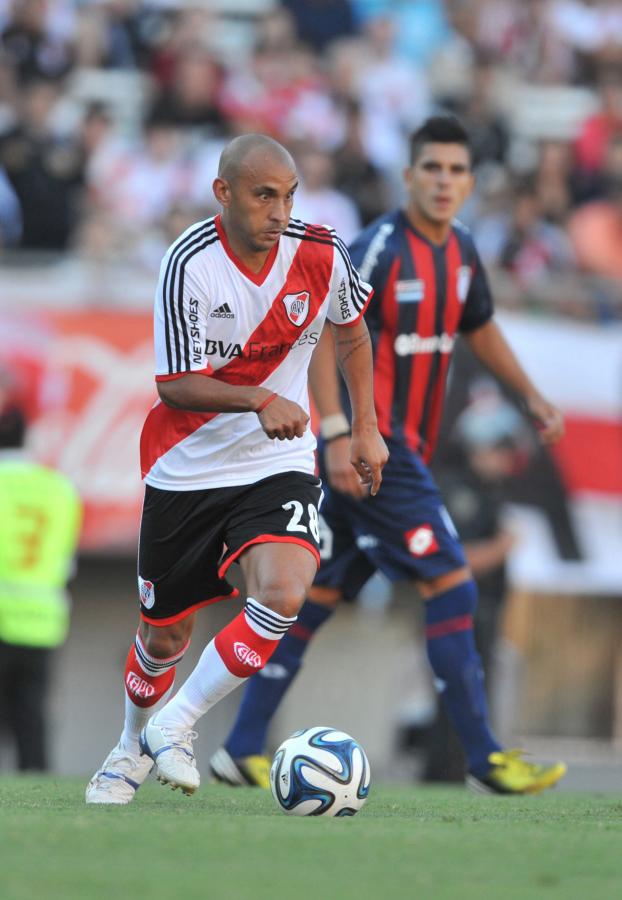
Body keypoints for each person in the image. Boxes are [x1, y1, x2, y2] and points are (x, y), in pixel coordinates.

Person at [211, 116, 567, 795]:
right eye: (431, 168)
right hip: (378, 449)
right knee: (452, 581)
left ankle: (240, 745)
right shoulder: (378, 250)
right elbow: (323, 333)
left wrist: (531, 397)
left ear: (469, 181)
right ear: (409, 176)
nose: (443, 181)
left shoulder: (461, 251)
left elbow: (480, 326)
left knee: (311, 598)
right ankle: (484, 756)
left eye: (456, 170)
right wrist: (342, 430)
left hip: (398, 453)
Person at [85, 133, 388, 804]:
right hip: (185, 466)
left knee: (284, 590)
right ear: (223, 194)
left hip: (276, 460)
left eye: (288, 196)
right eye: (263, 196)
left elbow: (354, 328)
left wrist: (365, 427)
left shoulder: (321, 250)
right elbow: (175, 384)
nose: (279, 212)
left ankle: (179, 723)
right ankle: (129, 745)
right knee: (163, 636)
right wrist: (258, 397)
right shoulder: (187, 262)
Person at [0, 403, 82, 770]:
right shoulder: (60, 488)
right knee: (31, 718)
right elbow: (66, 560)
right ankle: (38, 787)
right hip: (43, 620)